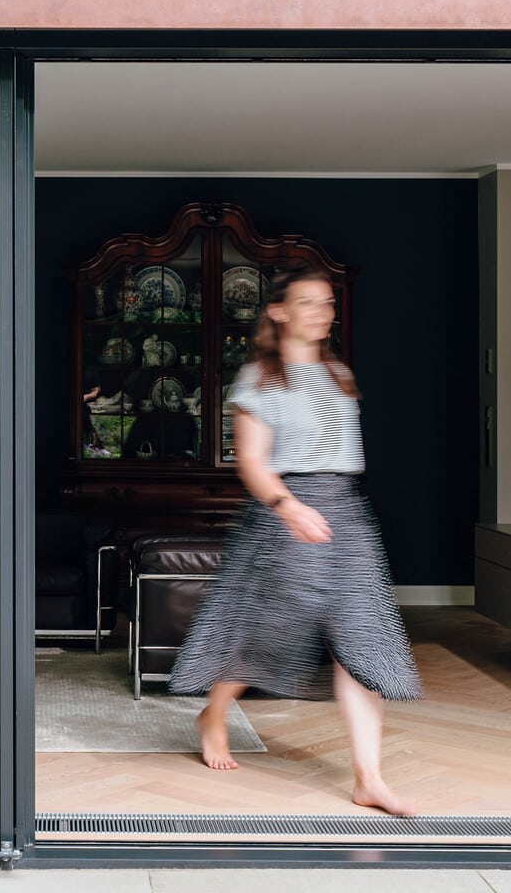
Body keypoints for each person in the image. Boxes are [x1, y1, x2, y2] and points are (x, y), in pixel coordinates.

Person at [169, 268, 423, 816]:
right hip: (285, 510)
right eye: (308, 302)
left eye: (328, 303)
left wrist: (327, 509)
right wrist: (288, 507)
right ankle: (214, 713)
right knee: (270, 631)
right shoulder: (259, 378)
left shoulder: (339, 373)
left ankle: (369, 778)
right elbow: (251, 461)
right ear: (279, 311)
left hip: (346, 513)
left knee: (363, 640)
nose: (323, 312)